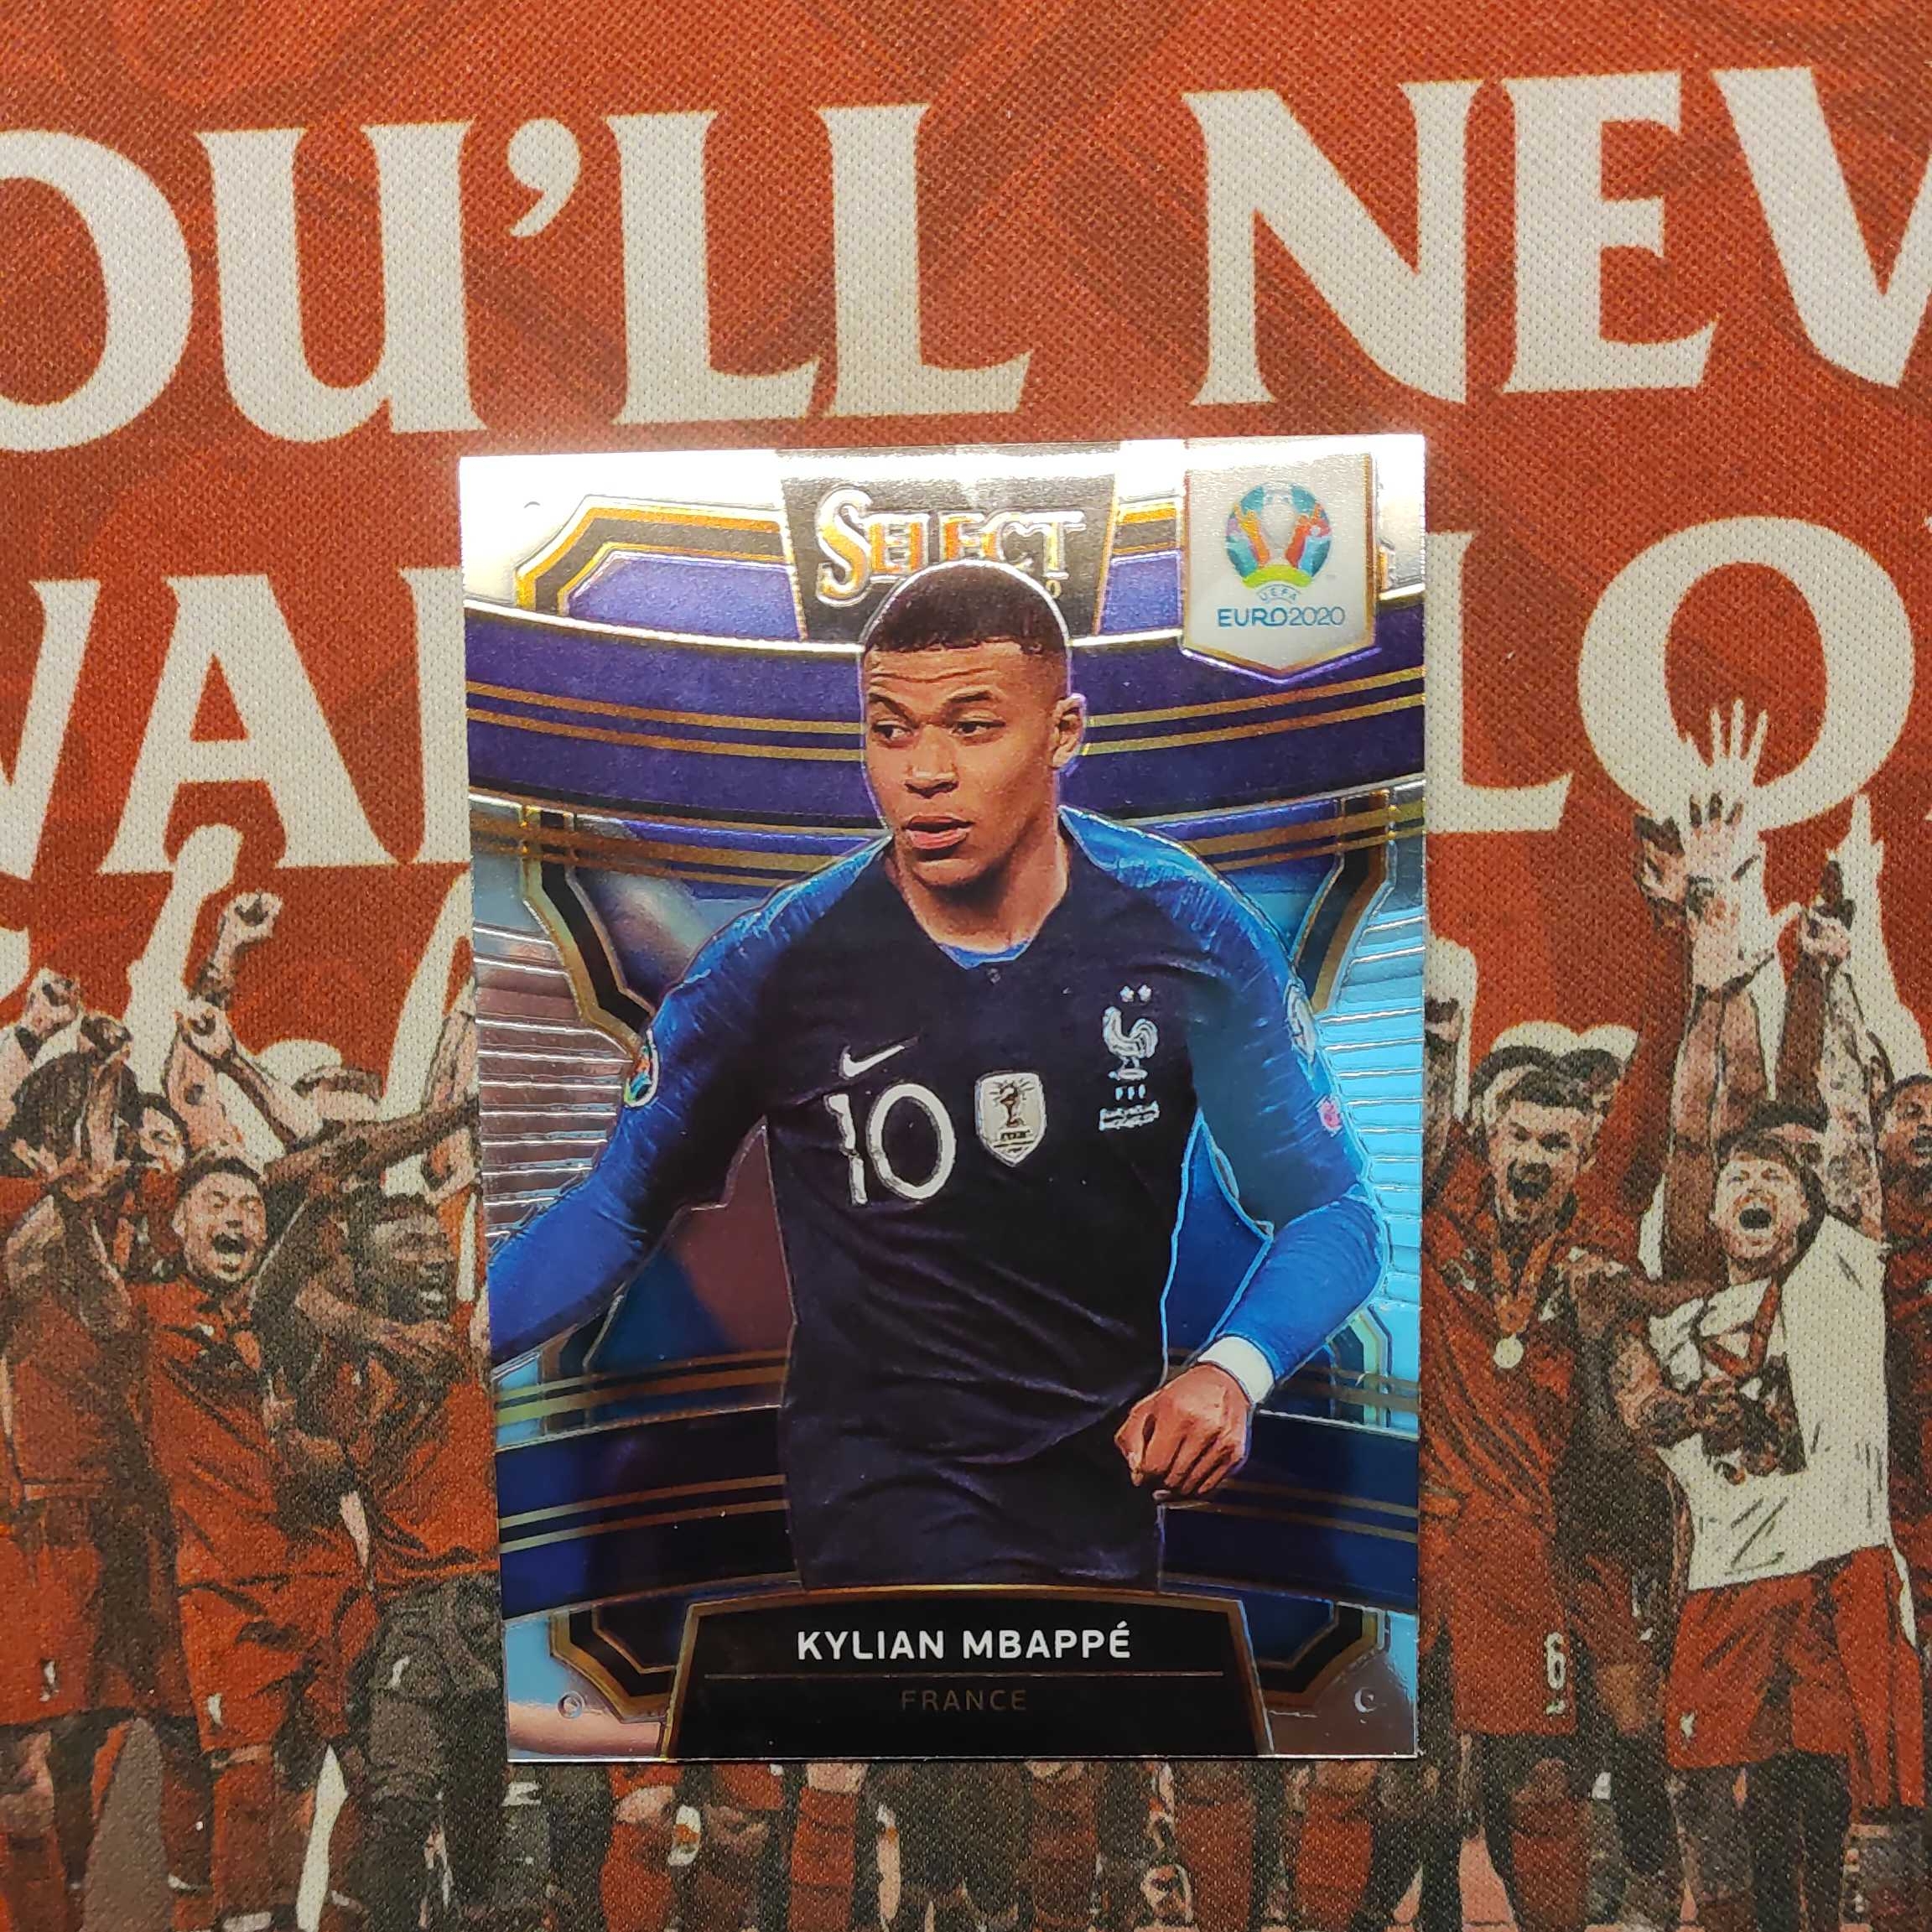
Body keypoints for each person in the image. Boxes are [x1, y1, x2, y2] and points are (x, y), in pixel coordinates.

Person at [485, 556, 1385, 1592]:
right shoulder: (777, 964)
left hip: (1108, 1522)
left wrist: (1234, 1370)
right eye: (890, 728)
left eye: (972, 726)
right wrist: (441, 1359)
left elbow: (1335, 1211)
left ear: (1064, 733)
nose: (924, 772)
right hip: (875, 1532)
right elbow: (614, 1209)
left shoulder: (1185, 929)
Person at [1613, 844, 1925, 1932]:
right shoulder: (1677, 1320)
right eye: (1739, 1176)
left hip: (1841, 1569)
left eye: (1774, 1179)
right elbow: (1695, 1130)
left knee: (1859, 1795)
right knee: (1703, 1792)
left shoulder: (1841, 1278)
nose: (1751, 1183)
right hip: (1725, 1587)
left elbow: (1838, 1127)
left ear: (1809, 1211)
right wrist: (1658, 1399)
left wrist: (1827, 974)